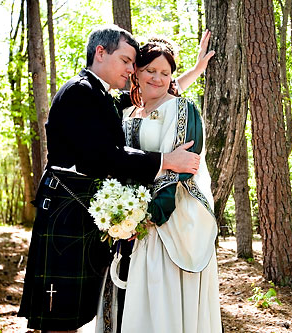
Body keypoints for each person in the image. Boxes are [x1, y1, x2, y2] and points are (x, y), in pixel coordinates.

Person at [18, 25, 213, 332]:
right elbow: (102, 157)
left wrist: (195, 71)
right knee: (59, 313)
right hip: (65, 210)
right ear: (100, 52)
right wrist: (166, 161)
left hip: (79, 209)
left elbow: (155, 92)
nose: (131, 69)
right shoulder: (81, 92)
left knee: (72, 310)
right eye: (125, 61)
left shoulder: (100, 95)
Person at [96, 38, 221, 333]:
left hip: (163, 223)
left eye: (165, 73)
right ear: (135, 72)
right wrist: (120, 218)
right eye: (150, 70)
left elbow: (182, 170)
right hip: (124, 222)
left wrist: (146, 218)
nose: (158, 78)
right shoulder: (124, 111)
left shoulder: (182, 109)